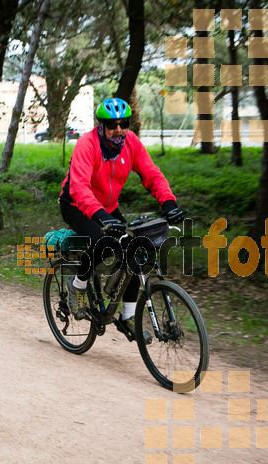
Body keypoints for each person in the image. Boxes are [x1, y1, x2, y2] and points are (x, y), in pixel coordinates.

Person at [59, 97, 185, 340]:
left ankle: (126, 318)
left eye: (123, 123)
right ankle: (78, 286)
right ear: (102, 125)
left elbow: (152, 175)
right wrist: (101, 216)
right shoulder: (87, 144)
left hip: (107, 207)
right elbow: (79, 188)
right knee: (102, 243)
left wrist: (168, 203)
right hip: (76, 204)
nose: (118, 129)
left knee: (135, 253)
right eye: (112, 124)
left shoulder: (131, 144)